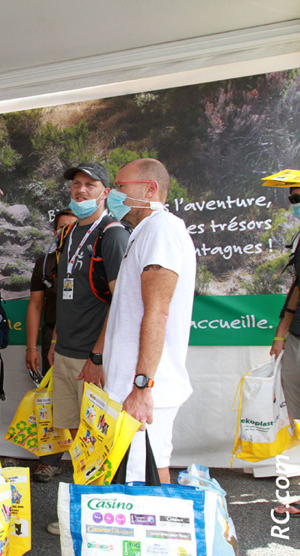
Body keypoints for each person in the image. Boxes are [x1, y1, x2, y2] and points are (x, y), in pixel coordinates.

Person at [46, 163, 129, 535]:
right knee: (77, 437)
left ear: (105, 191)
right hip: (65, 351)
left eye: (89, 184)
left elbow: (122, 302)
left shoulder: (111, 235)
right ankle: (86, 512)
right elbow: (64, 295)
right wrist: (54, 343)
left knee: (98, 440)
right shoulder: (67, 234)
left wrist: (97, 356)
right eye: (76, 184)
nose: (80, 191)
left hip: (93, 359)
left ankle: (99, 520)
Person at [102, 158, 196, 485]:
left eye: (120, 186)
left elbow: (157, 311)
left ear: (150, 189)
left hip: (142, 388)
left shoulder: (161, 229)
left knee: (145, 478)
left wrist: (143, 386)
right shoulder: (144, 232)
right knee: (134, 476)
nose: (112, 193)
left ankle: (161, 538)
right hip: (129, 384)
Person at [25, 208, 77, 483]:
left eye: (72, 227)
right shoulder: (45, 263)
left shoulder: (91, 260)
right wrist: (32, 347)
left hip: (85, 341)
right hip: (50, 342)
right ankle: (50, 461)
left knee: (86, 402)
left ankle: (88, 462)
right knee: (51, 400)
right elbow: (35, 306)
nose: (65, 233)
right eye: (61, 228)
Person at [267, 184, 300, 519]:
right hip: (297, 339)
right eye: (293, 199)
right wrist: (281, 333)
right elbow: (296, 288)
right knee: (298, 415)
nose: (296, 204)